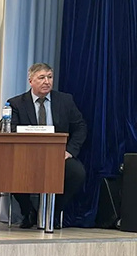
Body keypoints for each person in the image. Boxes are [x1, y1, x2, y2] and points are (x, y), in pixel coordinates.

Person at [8, 63, 87, 229]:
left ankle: (53, 212)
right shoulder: (16, 103)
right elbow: (11, 130)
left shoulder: (65, 100)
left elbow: (80, 127)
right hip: (27, 155)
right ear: (31, 81)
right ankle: (28, 211)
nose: (47, 81)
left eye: (49, 77)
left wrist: (69, 151)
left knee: (77, 173)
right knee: (9, 171)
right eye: (41, 78)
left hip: (57, 155)